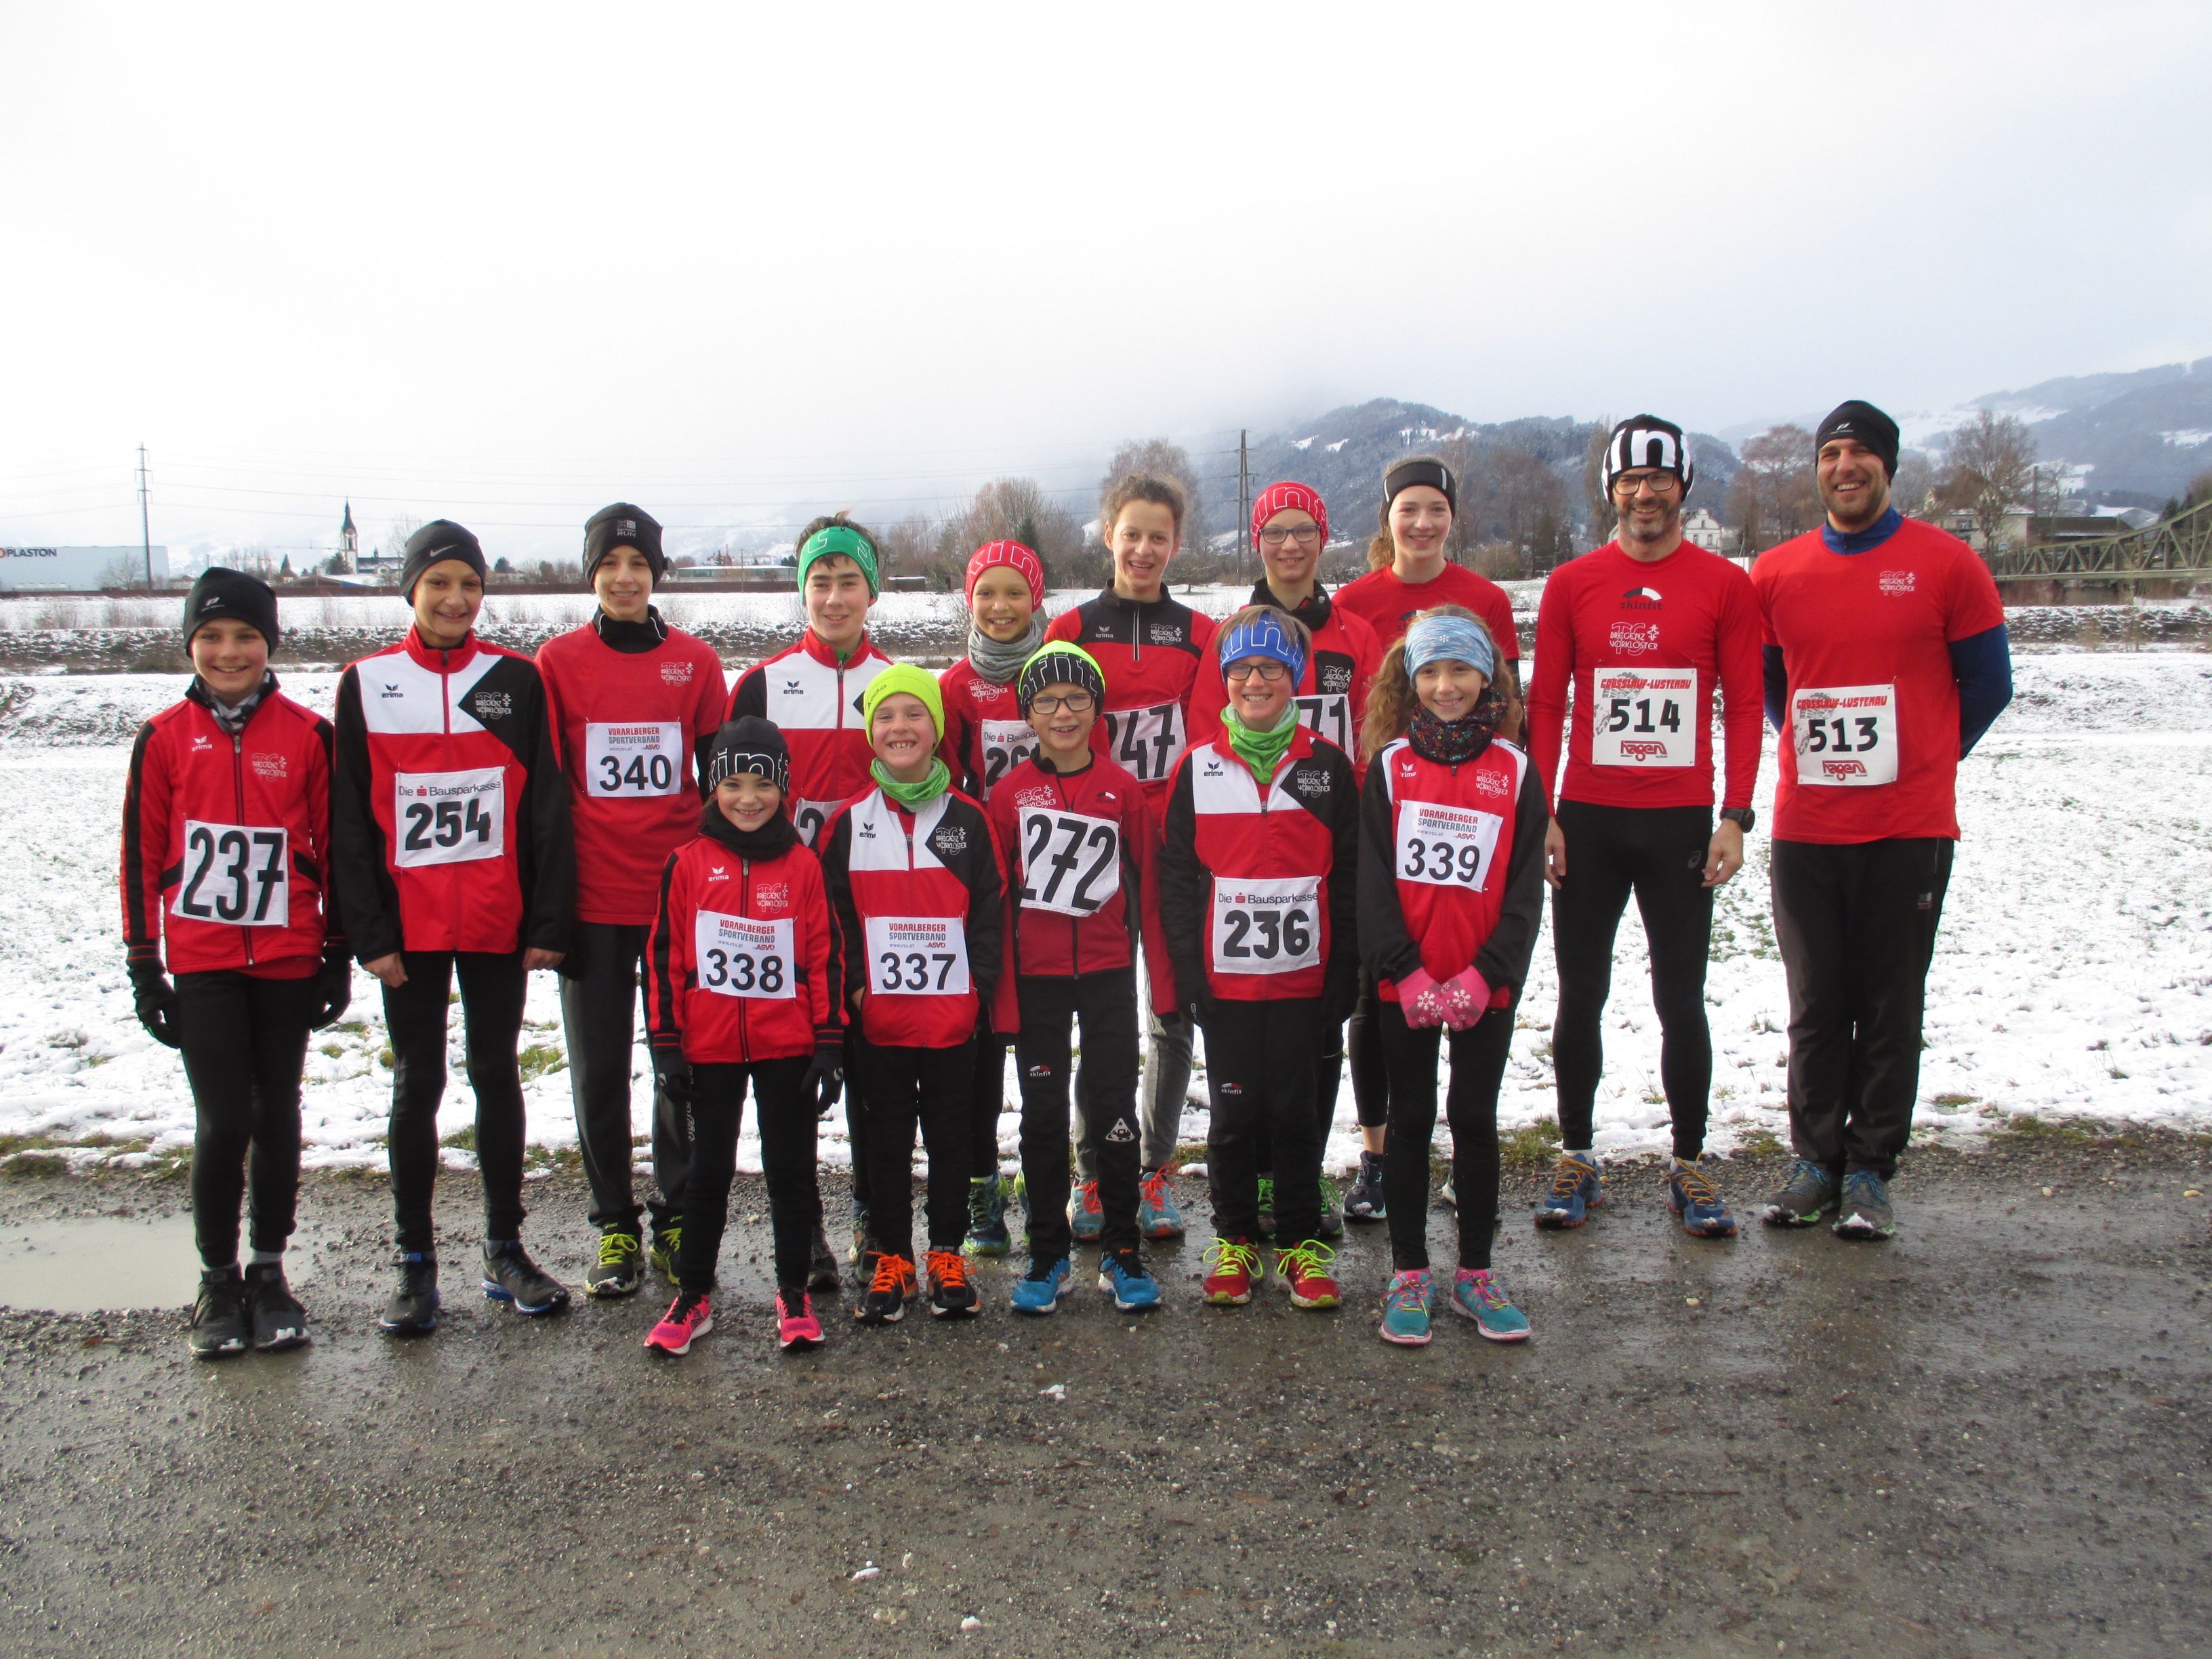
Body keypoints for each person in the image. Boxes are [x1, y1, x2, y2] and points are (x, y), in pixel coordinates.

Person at [1752, 401, 2011, 1241]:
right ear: (1817, 470)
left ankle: (1870, 1169)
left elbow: (1989, 683)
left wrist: (1929, 753)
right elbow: (1773, 692)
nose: (1846, 466)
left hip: (1908, 827)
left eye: (1862, 452)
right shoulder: (1777, 572)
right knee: (1816, 1002)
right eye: (1832, 453)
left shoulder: (1947, 562)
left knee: (1892, 1001)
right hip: (1807, 826)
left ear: (1887, 467)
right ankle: (1814, 1162)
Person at [331, 520, 576, 1335]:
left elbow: (545, 807)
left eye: (468, 583)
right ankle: (414, 1262)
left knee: (497, 1076)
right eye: (438, 583)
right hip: (411, 927)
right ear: (412, 590)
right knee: (418, 1085)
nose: (455, 598)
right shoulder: (367, 683)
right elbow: (350, 822)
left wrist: (547, 918)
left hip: (498, 921)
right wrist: (370, 933)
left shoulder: (516, 679)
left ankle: (505, 1250)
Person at [1524, 417, 1765, 1237]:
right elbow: (1548, 702)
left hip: (1679, 822)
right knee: (1580, 995)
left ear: (1682, 488)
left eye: (1660, 480)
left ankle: (1690, 1161)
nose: (1645, 493)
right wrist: (1547, 811)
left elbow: (1744, 705)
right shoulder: (1573, 584)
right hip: (1588, 819)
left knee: (1679, 997)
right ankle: (1578, 1154)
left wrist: (1735, 815)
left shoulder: (1726, 585)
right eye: (1629, 480)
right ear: (1611, 490)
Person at [121, 569, 350, 1357]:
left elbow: (335, 848)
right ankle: (217, 1280)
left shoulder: (308, 734)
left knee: (277, 1114)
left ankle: (269, 1272)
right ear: (191, 644)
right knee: (223, 1121)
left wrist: (337, 952)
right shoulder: (161, 738)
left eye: (246, 636)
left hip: (286, 953)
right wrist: (144, 965)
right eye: (212, 637)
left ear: (269, 644)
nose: (229, 652)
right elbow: (140, 857)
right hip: (206, 959)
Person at [535, 504, 729, 1297]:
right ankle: (614, 1223)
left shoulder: (695, 662)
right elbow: (546, 794)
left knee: (678, 1063)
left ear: (656, 576)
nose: (624, 578)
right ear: (592, 575)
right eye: (610, 565)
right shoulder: (557, 661)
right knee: (599, 1071)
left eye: (638, 566)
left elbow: (721, 787)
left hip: (676, 900)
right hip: (593, 900)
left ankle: (677, 1210)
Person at [1191, 480, 1385, 1236]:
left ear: (1324, 537)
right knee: (1246, 1059)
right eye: (1275, 531)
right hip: (1247, 847)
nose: (1291, 545)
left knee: (1317, 1039)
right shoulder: (1229, 636)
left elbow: (1375, 734)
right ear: (1258, 542)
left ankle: (1302, 1181)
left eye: (1304, 530)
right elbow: (1212, 736)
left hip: (1331, 833)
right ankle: (1259, 1191)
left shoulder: (1357, 636)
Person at [1158, 607, 1359, 1313]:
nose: (1254, 681)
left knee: (1298, 1112)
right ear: (1224, 679)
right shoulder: (1197, 769)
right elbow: (1179, 881)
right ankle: (1236, 1239)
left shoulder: (1329, 769)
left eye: (1270, 668)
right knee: (1236, 1116)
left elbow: (1352, 876)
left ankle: (1303, 1242)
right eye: (1240, 669)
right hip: (1229, 987)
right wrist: (1186, 973)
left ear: (1295, 677)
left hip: (1307, 986)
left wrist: (1345, 976)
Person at [1359, 608, 1546, 1345]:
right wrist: (1402, 972)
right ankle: (1409, 1272)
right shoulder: (1389, 768)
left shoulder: (1517, 770)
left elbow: (1526, 890)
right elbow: (1371, 883)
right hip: (1403, 984)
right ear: (1410, 681)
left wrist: (1486, 973)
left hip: (1484, 985)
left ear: (1486, 676)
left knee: (1473, 1119)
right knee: (1409, 1120)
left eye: (1460, 670)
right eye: (1430, 672)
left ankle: (1474, 1271)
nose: (1445, 686)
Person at [1043, 474, 1216, 1244]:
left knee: (1170, 1014)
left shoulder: (1202, 633)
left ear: (1177, 544)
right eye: (1131, 534)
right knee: (1100, 1015)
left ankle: (1152, 1169)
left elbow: (1208, 739)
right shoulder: (1070, 627)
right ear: (1107, 534)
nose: (1143, 549)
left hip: (1172, 847)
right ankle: (1091, 1173)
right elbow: (1051, 734)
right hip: (1094, 846)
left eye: (1159, 537)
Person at [640, 718, 844, 1355]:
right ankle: (694, 1293)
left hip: (786, 1047)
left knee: (791, 1173)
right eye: (731, 783)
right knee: (707, 1173)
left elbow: (823, 955)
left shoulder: (803, 865)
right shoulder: (687, 863)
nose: (747, 798)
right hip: (710, 1049)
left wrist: (830, 1041)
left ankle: (792, 1292)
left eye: (762, 783)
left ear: (783, 789)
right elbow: (664, 958)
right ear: (713, 788)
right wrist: (666, 1045)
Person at [726, 514, 895, 1271]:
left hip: (867, 912)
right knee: (791, 1077)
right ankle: (806, 1231)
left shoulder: (895, 685)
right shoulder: (761, 684)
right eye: (819, 582)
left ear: (872, 593)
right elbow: (729, 801)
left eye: (848, 582)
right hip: (779, 913)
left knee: (866, 1075)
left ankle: (868, 1213)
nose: (834, 597)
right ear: (803, 591)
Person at [986, 642, 1174, 1315]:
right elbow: (998, 902)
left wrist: (1165, 983)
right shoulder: (1007, 796)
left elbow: (1148, 890)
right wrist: (1002, 999)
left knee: (1115, 1114)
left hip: (1106, 973)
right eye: (1046, 701)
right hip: (1036, 980)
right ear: (1027, 714)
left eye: (1076, 699)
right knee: (1040, 1121)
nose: (1062, 713)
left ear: (1097, 708)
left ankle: (1123, 1251)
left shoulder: (1121, 789)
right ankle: (1046, 1255)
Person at [820, 665, 1006, 1324]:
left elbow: (990, 915)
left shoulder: (968, 821)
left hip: (954, 1022)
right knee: (885, 1139)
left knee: (953, 1136)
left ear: (937, 728)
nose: (901, 727)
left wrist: (976, 995)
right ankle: (893, 1255)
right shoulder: (848, 823)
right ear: (871, 733)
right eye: (887, 717)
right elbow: (835, 918)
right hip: (881, 1022)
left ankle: (946, 1252)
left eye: (915, 714)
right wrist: (859, 991)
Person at [937, 539, 1048, 1257]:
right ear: (969, 601)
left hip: (1049, 883)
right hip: (980, 886)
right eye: (988, 594)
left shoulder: (1058, 668)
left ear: (1036, 598)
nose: (1002, 607)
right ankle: (981, 1186)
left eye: (1015, 592)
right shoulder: (951, 688)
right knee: (978, 1044)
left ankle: (1049, 1178)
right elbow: (946, 788)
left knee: (1041, 1043)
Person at [1332, 454, 1522, 665]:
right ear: (1387, 518)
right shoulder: (1349, 604)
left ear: (1452, 516)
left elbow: (1507, 693)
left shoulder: (1489, 600)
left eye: (1437, 509)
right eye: (1408, 510)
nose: (1423, 523)